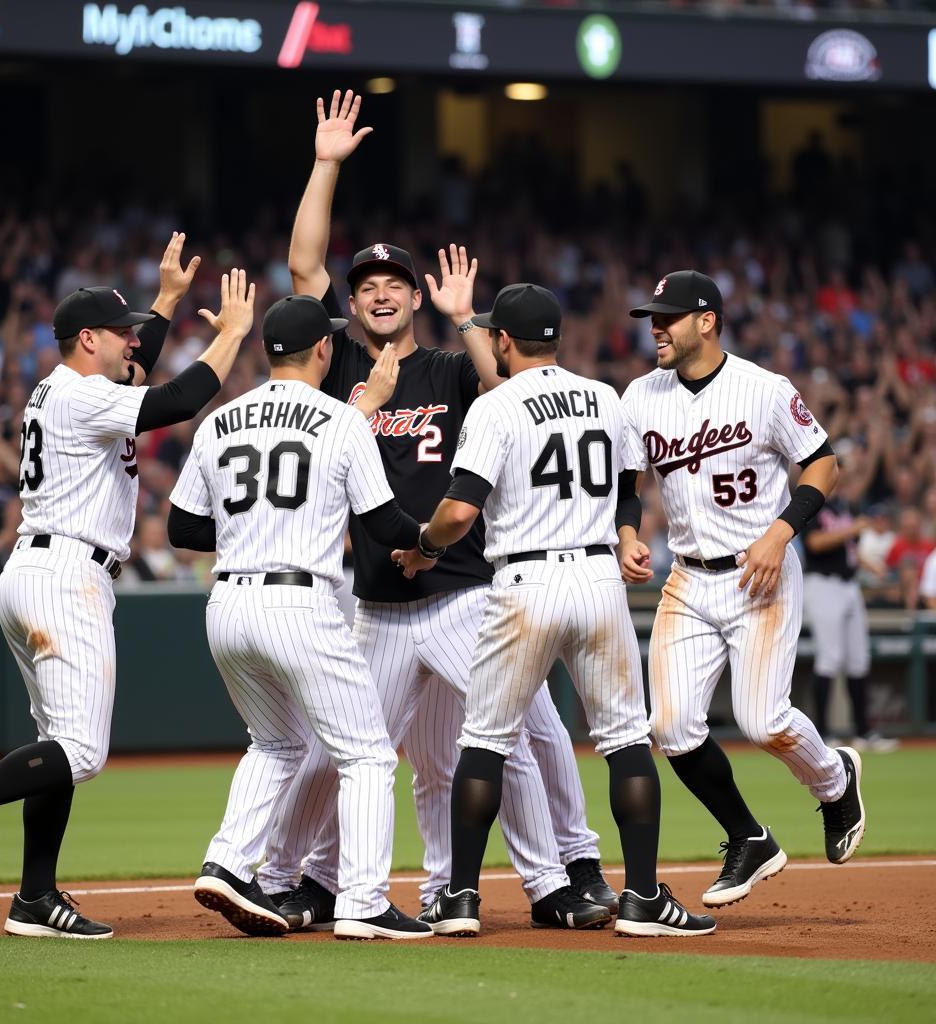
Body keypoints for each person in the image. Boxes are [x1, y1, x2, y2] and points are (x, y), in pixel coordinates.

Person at [255, 90, 614, 932]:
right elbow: (305, 268)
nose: (379, 293)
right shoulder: (338, 358)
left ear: (417, 299)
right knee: (344, 753)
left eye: (394, 284)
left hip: (460, 591)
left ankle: (552, 882)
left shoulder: (452, 369)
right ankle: (303, 879)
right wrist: (326, 164)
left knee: (511, 740)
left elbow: (510, 393)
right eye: (368, 284)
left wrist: (471, 325)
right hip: (377, 602)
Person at [0, 235, 250, 939]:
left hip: (41, 571)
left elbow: (138, 377)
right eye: (122, 334)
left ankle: (35, 897)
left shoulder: (69, 388)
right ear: (87, 337)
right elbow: (176, 400)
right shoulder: (80, 394)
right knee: (83, 753)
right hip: (65, 576)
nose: (134, 344)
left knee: (55, 746)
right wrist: (234, 338)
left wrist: (163, 302)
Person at [394, 283, 715, 938]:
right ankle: (645, 898)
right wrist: (628, 536)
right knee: (625, 740)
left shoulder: (496, 405)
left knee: (485, 740)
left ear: (504, 341)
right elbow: (631, 491)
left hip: (525, 583)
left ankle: (458, 898)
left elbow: (458, 512)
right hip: (598, 579)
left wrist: (424, 544)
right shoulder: (605, 396)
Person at [168, 294, 432, 940]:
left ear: (266, 351)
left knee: (277, 741)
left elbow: (180, 526)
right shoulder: (343, 423)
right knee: (368, 756)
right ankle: (365, 901)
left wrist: (250, 531)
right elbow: (385, 524)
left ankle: (228, 861)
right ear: (324, 350)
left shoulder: (221, 420)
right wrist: (431, 540)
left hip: (228, 604)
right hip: (299, 600)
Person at [620, 270, 867, 911]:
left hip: (761, 572)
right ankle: (747, 837)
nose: (656, 327)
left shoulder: (763, 389)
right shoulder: (641, 395)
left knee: (764, 721)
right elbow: (628, 478)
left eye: (668, 316)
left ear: (707, 320)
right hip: (688, 580)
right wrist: (626, 532)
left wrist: (782, 532)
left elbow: (823, 461)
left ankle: (835, 781)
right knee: (671, 725)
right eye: (653, 315)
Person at [802, 497, 898, 753]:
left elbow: (850, 549)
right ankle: (821, 733)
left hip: (849, 583)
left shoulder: (844, 506)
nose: (839, 473)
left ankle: (863, 732)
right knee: (829, 658)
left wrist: (872, 566)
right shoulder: (813, 503)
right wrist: (851, 529)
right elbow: (814, 543)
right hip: (822, 584)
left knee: (858, 658)